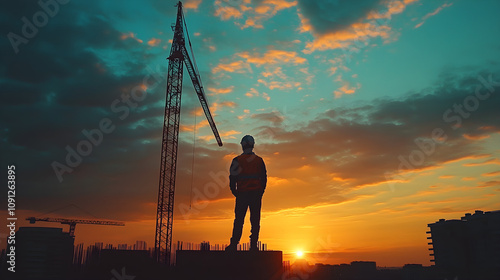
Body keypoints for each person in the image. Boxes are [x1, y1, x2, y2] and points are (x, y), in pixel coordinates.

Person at [225, 135, 267, 252]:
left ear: (242, 146)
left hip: (242, 195)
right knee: (255, 220)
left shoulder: (237, 160)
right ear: (253, 145)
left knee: (239, 220)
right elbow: (264, 178)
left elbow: (232, 179)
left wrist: (236, 193)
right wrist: (260, 192)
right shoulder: (259, 161)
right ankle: (253, 246)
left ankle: (234, 245)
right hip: (255, 195)